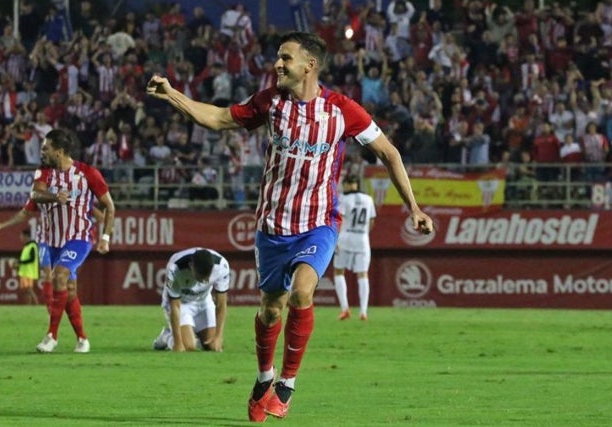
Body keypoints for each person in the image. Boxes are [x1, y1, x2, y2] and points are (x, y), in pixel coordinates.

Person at [146, 31, 433, 422]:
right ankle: (264, 377)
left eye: (285, 58)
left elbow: (388, 152)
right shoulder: (271, 103)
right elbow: (217, 118)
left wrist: (413, 207)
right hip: (273, 226)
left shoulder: (342, 110)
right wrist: (173, 95)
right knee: (270, 309)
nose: (277, 64)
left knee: (302, 293)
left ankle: (287, 384)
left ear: (309, 65)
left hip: (319, 223)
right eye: (278, 58)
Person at [31, 128, 116, 354]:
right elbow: (35, 195)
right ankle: (82, 338)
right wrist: (53, 197)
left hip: (79, 238)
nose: (42, 153)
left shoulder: (88, 173)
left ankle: (51, 336)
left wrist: (105, 237)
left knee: (58, 275)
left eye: (46, 149)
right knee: (68, 290)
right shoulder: (44, 172)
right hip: (53, 240)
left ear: (59, 151)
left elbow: (109, 206)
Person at [152, 247, 229, 352]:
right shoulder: (174, 270)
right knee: (188, 346)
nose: (205, 281)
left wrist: (218, 337)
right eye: (201, 277)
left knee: (211, 345)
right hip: (181, 304)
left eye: (207, 277)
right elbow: (174, 305)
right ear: (191, 266)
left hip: (204, 302)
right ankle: (166, 337)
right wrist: (177, 343)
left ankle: (190, 334)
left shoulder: (222, 266)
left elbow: (221, 304)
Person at [332, 175, 376, 321]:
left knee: (339, 271)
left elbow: (341, 219)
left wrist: (335, 239)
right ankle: (363, 312)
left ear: (347, 184)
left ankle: (345, 308)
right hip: (362, 238)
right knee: (363, 274)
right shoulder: (368, 199)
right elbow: (371, 221)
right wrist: (364, 234)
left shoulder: (344, 198)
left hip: (345, 237)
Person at [14, 228, 40, 305]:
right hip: (25, 272)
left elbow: (32, 259)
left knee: (29, 290)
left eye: (21, 235)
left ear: (26, 236)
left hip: (29, 272)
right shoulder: (27, 246)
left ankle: (37, 304)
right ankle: (28, 306)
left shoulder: (32, 246)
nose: (20, 237)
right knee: (26, 291)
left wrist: (19, 262)